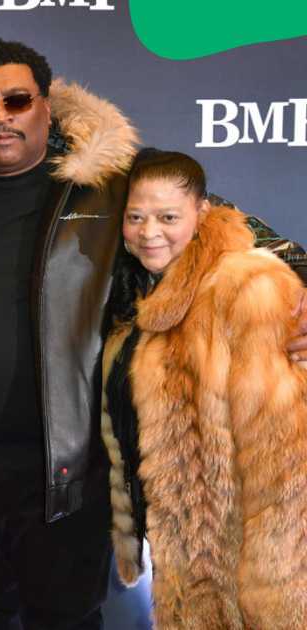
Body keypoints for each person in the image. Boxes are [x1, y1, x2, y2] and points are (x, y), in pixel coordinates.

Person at [0, 39, 307, 629]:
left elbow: (231, 230)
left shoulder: (112, 180)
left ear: (46, 106)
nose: (1, 116)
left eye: (17, 100)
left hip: (69, 471)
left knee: (68, 618)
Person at [102, 149, 307, 630]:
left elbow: (284, 455)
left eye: (168, 217)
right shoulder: (135, 296)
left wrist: (276, 577)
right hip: (184, 552)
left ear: (203, 211)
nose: (149, 232)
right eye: (136, 217)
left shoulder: (246, 285)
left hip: (244, 557)